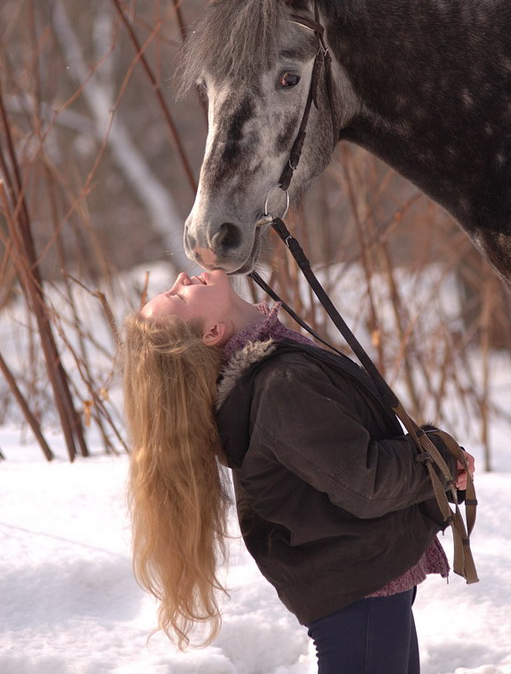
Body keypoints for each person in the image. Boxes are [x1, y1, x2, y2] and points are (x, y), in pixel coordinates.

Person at [123, 269, 475, 674]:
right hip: (359, 592)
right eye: (179, 296)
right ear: (212, 332)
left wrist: (435, 461)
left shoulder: (271, 375)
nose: (183, 276)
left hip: (364, 587)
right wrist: (439, 462)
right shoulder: (280, 387)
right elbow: (365, 481)